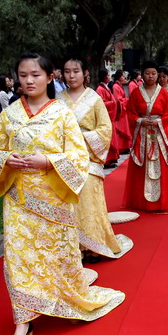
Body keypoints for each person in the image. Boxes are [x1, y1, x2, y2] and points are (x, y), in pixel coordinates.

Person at [0, 52, 125, 335]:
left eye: (35, 75)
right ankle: (23, 321)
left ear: (49, 77)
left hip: (54, 199)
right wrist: (7, 158)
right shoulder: (10, 114)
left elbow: (77, 157)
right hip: (19, 201)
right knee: (19, 259)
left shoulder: (61, 114)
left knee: (57, 255)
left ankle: (65, 301)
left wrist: (47, 161)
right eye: (23, 75)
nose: (29, 81)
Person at [58, 58, 132, 262]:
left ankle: (93, 246)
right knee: (67, 204)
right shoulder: (58, 100)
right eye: (67, 71)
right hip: (64, 159)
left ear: (84, 74)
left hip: (89, 158)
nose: (71, 76)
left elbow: (105, 128)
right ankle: (74, 247)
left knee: (89, 200)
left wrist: (82, 137)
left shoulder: (94, 99)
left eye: (75, 71)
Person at [123, 61, 168, 212]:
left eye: (154, 73)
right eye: (147, 73)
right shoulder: (136, 93)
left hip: (158, 135)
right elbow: (130, 112)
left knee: (160, 166)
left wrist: (158, 122)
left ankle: (161, 202)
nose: (150, 76)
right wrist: (140, 120)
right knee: (141, 168)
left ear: (158, 75)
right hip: (142, 135)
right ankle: (141, 202)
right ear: (142, 74)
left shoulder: (164, 93)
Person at [95, 68, 120, 168]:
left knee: (112, 138)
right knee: (107, 139)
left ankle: (111, 159)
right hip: (106, 117)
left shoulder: (105, 87)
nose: (109, 77)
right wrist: (114, 103)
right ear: (104, 77)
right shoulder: (100, 89)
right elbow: (101, 104)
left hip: (110, 117)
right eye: (108, 75)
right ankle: (107, 161)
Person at [110, 70, 132, 160]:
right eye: (122, 76)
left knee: (124, 128)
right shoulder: (115, 86)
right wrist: (126, 100)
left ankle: (125, 146)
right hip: (120, 111)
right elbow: (117, 99)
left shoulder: (119, 85)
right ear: (119, 76)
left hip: (123, 109)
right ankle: (121, 147)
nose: (124, 77)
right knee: (120, 129)